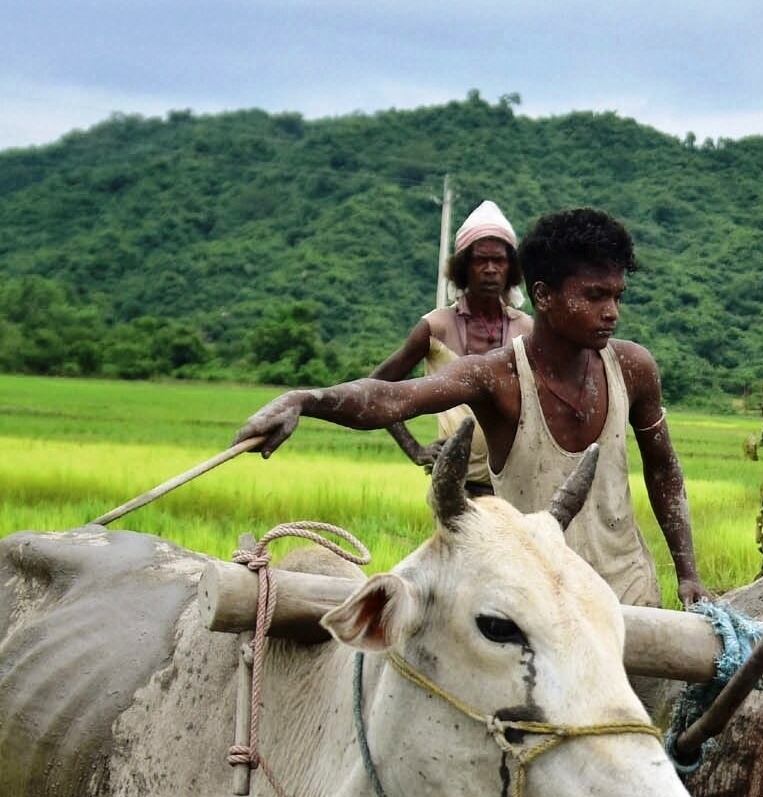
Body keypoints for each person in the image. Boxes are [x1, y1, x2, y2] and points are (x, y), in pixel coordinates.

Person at [236, 206, 707, 615]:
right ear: (544, 296)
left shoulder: (632, 366)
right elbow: (391, 396)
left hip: (627, 593)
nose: (612, 313)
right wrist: (306, 399)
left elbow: (663, 468)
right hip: (533, 601)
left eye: (617, 296)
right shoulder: (496, 376)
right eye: (595, 296)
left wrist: (687, 575)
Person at [369, 200, 529, 467]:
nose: (490, 269)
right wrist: (415, 450)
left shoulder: (526, 330)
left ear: (510, 267)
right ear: (464, 267)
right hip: (455, 486)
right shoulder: (436, 327)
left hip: (515, 487)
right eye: (480, 260)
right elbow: (378, 388)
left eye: (499, 260)